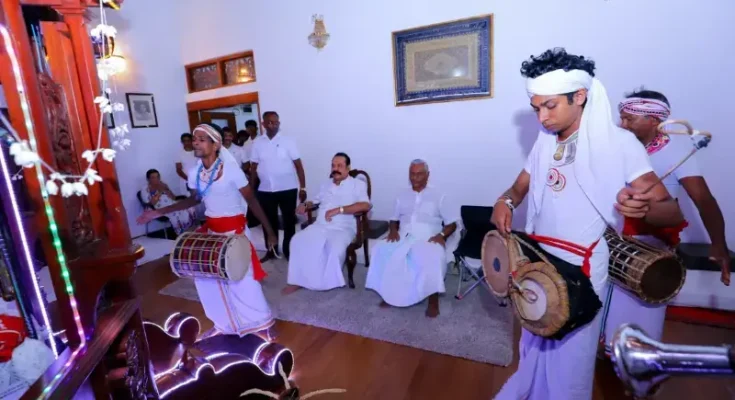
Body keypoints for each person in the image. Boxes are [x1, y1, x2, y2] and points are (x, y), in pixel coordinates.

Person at [490, 48, 684, 400]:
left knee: (571, 359)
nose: (542, 117)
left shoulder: (619, 144)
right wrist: (504, 202)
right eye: (536, 108)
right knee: (533, 342)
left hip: (580, 267)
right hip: (539, 262)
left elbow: (671, 213)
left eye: (550, 106)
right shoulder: (544, 142)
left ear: (579, 96)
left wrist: (643, 209)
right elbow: (518, 188)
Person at [597, 89, 732, 351]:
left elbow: (704, 200)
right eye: (621, 118)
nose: (622, 124)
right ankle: (607, 353)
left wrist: (719, 245)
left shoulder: (677, 151)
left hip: (651, 243)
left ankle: (639, 360)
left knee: (642, 312)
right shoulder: (618, 145)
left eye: (629, 119)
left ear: (653, 121)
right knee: (603, 310)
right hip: (613, 238)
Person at [137, 123, 279, 339]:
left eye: (202, 139)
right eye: (195, 139)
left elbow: (252, 200)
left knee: (243, 279)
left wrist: (270, 232)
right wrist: (158, 212)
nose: (196, 143)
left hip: (235, 232)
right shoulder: (195, 172)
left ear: (216, 144)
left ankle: (262, 323)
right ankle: (223, 324)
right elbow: (194, 200)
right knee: (208, 281)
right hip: (212, 232)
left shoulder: (231, 170)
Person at [365, 159, 459, 318]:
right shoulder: (401, 195)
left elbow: (452, 223)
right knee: (381, 249)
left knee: (433, 255)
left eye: (419, 174)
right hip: (404, 235)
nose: (415, 178)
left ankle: (433, 299)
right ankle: (388, 293)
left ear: (428, 175)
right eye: (412, 174)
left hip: (428, 237)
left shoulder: (439, 195)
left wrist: (441, 236)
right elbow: (394, 219)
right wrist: (393, 231)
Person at [282, 152, 370, 295]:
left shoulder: (358, 185)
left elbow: (365, 205)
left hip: (343, 227)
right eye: (333, 165)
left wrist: (339, 210)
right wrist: (305, 205)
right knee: (298, 240)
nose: (336, 169)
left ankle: (327, 283)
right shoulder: (326, 184)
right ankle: (297, 281)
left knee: (334, 248)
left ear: (348, 168)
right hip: (320, 225)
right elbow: (315, 201)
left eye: (340, 166)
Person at [250, 111, 307, 261]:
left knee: (289, 222)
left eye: (276, 122)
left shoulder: (288, 141)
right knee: (268, 222)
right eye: (270, 122)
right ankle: (271, 251)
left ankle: (289, 251)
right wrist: (251, 188)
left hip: (288, 189)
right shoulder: (257, 143)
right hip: (265, 190)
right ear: (263, 124)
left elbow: (299, 166)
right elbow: (253, 167)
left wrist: (303, 188)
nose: (273, 125)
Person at [140, 169, 196, 234]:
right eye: (153, 177)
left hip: (171, 204)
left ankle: (191, 230)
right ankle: (181, 232)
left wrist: (166, 189)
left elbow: (173, 197)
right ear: (148, 179)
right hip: (158, 208)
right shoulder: (145, 189)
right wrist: (160, 191)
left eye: (157, 177)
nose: (156, 179)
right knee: (175, 212)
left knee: (189, 207)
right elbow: (151, 203)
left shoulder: (162, 185)